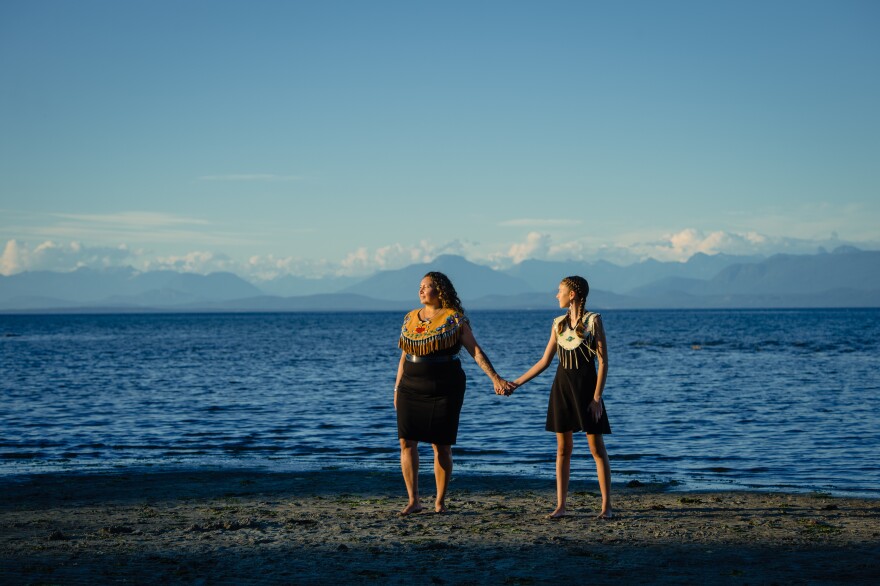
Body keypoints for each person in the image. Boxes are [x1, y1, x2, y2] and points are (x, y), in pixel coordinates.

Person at [394, 271, 514, 515]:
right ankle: (413, 500)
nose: (420, 290)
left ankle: (439, 501)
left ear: (440, 290)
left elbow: (476, 351)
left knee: (442, 446)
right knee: (406, 442)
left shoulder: (454, 319)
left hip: (445, 386)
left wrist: (495, 378)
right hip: (410, 386)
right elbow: (404, 356)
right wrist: (397, 388)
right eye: (420, 286)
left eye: (426, 286)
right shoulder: (410, 318)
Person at [510, 276, 613, 519]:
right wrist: (516, 383)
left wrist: (597, 397)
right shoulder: (557, 324)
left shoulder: (593, 321)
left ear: (573, 294)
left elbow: (603, 361)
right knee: (562, 449)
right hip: (561, 389)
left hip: (588, 392)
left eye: (560, 291)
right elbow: (545, 361)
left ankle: (606, 506)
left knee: (596, 448)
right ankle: (561, 506)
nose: (557, 295)